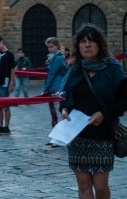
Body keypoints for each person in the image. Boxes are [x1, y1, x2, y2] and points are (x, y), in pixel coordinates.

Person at [59, 24, 127, 199]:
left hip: (102, 133)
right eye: (82, 41)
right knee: (83, 185)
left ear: (99, 45)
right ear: (78, 46)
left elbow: (124, 101)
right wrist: (64, 109)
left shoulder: (113, 68)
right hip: (76, 135)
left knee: (101, 186)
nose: (87, 45)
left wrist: (103, 114)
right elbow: (65, 98)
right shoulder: (74, 69)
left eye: (91, 41)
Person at [41, 37, 67, 147]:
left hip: (57, 88)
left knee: (58, 113)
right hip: (53, 88)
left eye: (51, 47)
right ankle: (55, 138)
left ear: (56, 46)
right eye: (48, 47)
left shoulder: (57, 58)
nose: (49, 49)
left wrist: (44, 88)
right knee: (54, 114)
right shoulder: (53, 58)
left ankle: (60, 139)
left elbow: (51, 74)